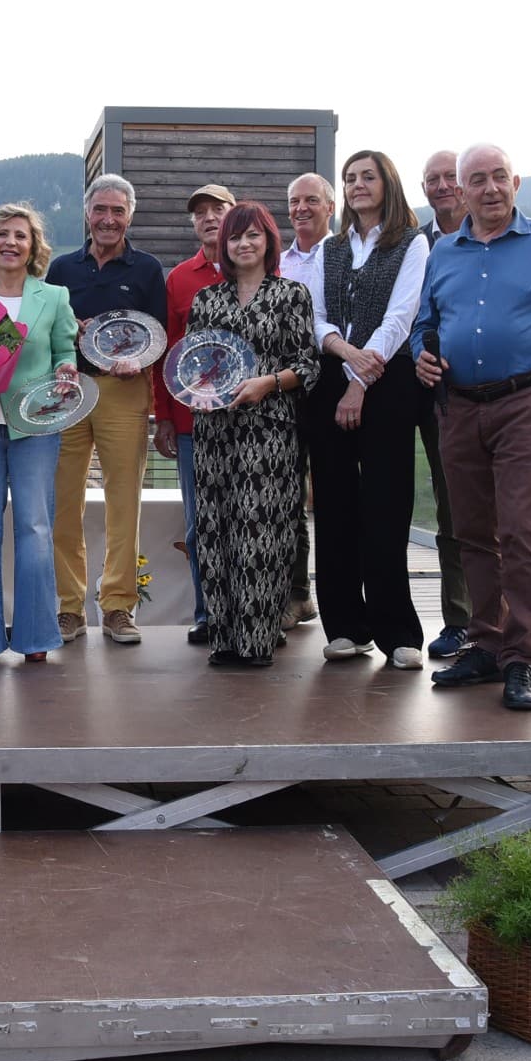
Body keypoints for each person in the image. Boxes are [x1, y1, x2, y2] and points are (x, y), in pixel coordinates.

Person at [415, 144, 531, 711]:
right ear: (460, 192)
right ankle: (488, 645)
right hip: (459, 406)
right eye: (478, 180)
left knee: (521, 530)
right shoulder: (443, 251)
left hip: (527, 402)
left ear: (515, 183)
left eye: (499, 177)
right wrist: (421, 356)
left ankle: (521, 657)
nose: (490, 188)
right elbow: (426, 324)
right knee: (472, 532)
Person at [306, 151, 432, 671]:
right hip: (332, 376)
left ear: (387, 184)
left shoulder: (412, 242)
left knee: (385, 505)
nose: (358, 185)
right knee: (333, 506)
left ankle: (397, 632)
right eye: (351, 178)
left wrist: (360, 376)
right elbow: (314, 317)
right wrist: (344, 355)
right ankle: (346, 628)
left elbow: (401, 316)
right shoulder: (329, 249)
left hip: (388, 381)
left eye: (367, 177)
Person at [190, 202, 317, 667]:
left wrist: (269, 383)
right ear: (223, 246)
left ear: (268, 241)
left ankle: (259, 640)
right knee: (216, 527)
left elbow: (308, 364)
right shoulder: (207, 300)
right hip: (215, 430)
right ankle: (224, 638)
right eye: (234, 237)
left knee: (262, 531)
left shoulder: (292, 295)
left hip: (270, 432)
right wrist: (203, 387)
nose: (243, 244)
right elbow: (192, 364)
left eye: (253, 235)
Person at [0, 204, 80, 661]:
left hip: (36, 427)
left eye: (20, 236)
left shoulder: (55, 296)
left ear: (33, 247)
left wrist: (67, 368)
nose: (10, 242)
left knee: (35, 529)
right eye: (2, 234)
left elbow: (65, 349)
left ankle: (35, 637)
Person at [45, 173, 167, 644]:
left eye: (118, 211)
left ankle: (118, 605)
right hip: (69, 389)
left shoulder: (147, 268)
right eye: (101, 210)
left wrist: (137, 358)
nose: (109, 219)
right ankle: (70, 608)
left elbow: (156, 334)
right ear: (87, 214)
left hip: (124, 390)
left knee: (123, 502)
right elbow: (49, 330)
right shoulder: (61, 269)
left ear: (129, 216)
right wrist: (69, 331)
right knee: (65, 503)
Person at [152, 183, 232, 646]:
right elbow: (167, 351)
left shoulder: (263, 271)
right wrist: (163, 414)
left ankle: (252, 611)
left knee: (247, 517)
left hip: (248, 420)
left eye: (217, 209)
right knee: (200, 522)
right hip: (190, 425)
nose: (208, 218)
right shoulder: (179, 278)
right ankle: (206, 614)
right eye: (200, 212)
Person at [417, 151, 477, 659]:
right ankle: (460, 620)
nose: (442, 186)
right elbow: (415, 319)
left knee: (506, 516)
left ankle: (512, 623)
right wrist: (420, 353)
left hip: (501, 398)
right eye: (432, 179)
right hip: (432, 398)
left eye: (449, 177)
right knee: (451, 510)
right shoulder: (417, 243)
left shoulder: (505, 238)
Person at [279, 172, 335, 626]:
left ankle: (343, 599)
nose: (301, 208)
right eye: (295, 201)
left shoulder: (345, 256)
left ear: (329, 207)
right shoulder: (279, 263)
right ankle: (298, 593)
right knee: (288, 492)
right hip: (291, 388)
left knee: (336, 495)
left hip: (337, 382)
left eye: (311, 200)